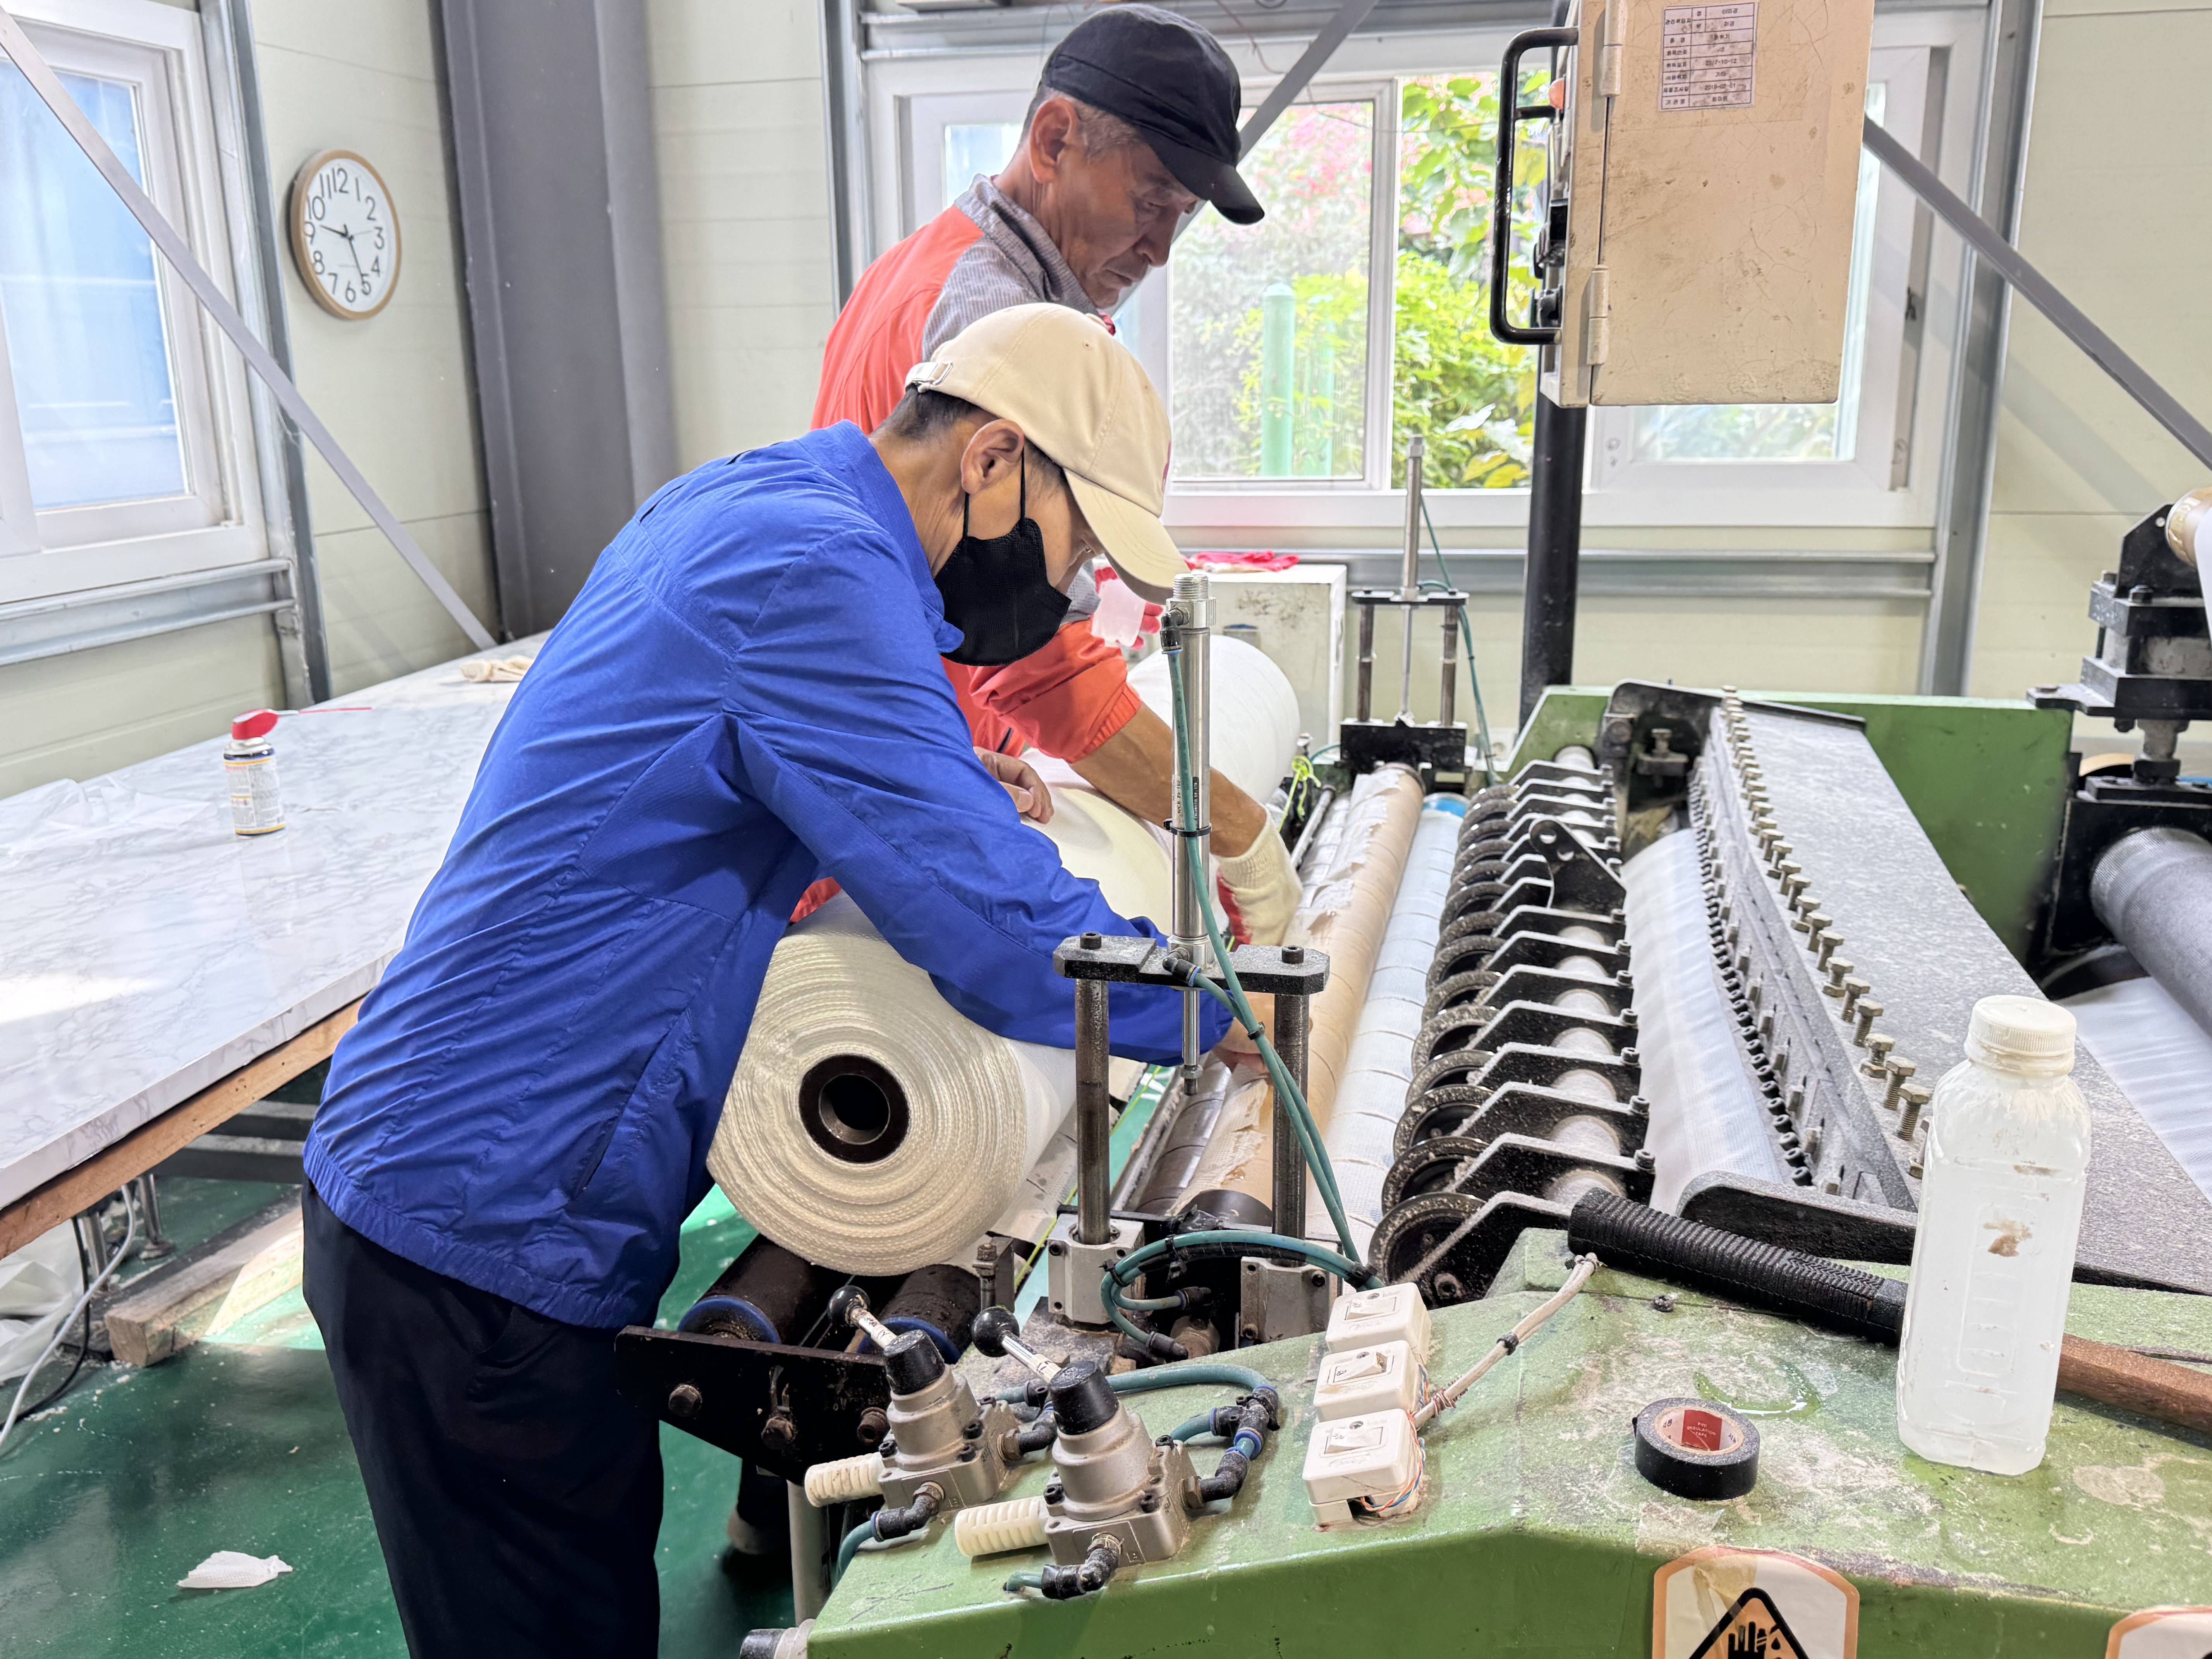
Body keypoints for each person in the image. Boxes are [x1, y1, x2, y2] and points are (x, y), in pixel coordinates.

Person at [300, 305, 1230, 1659]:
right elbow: (996, 929)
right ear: (992, 460)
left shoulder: (757, 503)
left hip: (468, 1167)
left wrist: (947, 777)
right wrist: (1217, 1009)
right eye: (1076, 545)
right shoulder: (818, 573)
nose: (1072, 587)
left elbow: (713, 752)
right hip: (482, 1213)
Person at [811, 3, 1304, 947]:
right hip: (892, 819)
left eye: (1183, 217)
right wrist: (1237, 833)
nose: (1161, 249)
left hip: (908, 765)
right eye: (1151, 200)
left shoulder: (927, 263)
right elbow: (1034, 664)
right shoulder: (989, 318)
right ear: (1053, 140)